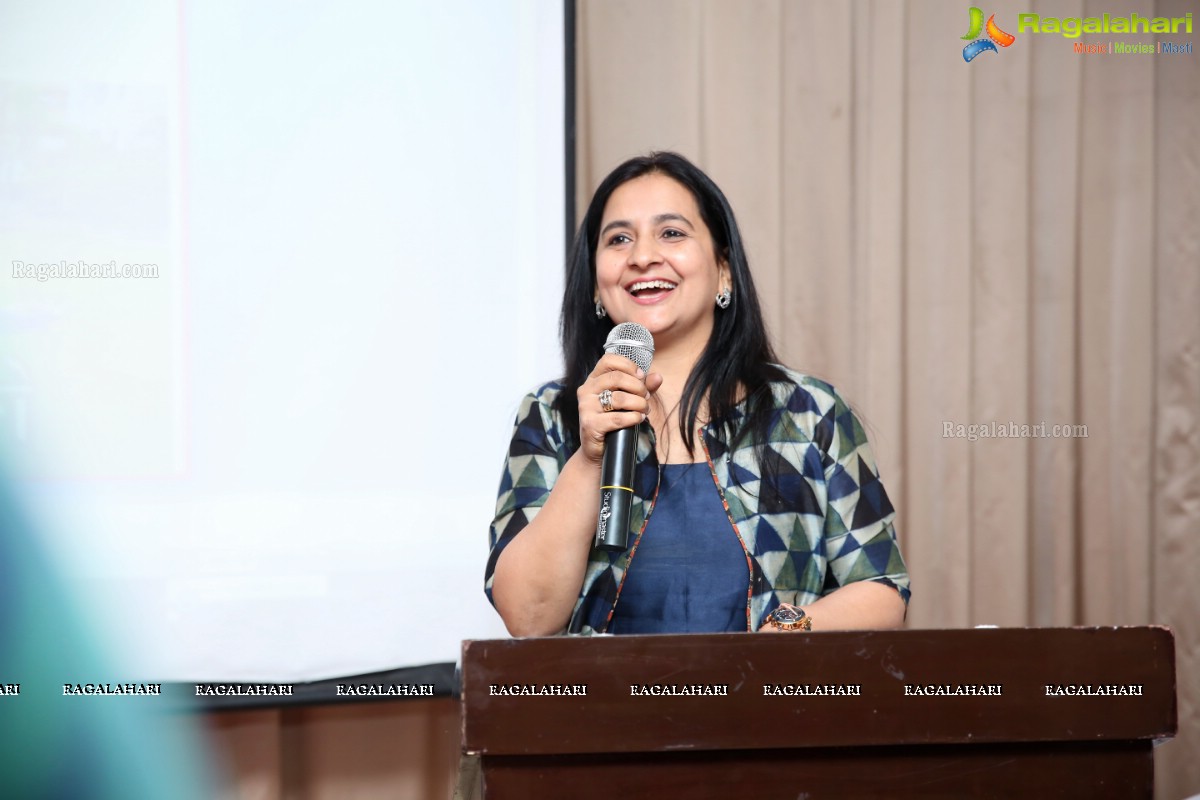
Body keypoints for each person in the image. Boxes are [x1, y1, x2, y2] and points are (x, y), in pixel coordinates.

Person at [485, 152, 909, 637]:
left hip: (766, 706)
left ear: (723, 270)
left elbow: (881, 587)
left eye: (671, 233)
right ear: (597, 288)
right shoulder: (551, 417)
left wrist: (789, 630)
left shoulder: (809, 413)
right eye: (619, 238)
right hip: (607, 711)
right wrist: (587, 459)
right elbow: (529, 619)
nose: (642, 256)